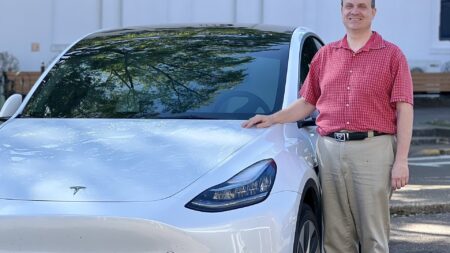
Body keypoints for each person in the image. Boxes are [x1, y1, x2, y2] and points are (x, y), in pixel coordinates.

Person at [242, 0, 413, 252]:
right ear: (342, 11)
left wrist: (401, 161)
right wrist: (273, 118)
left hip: (373, 149)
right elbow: (307, 102)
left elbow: (404, 109)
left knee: (373, 235)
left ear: (373, 12)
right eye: (349, 6)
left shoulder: (392, 55)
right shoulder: (325, 55)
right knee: (335, 235)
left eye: (362, 6)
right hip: (329, 150)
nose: (355, 11)